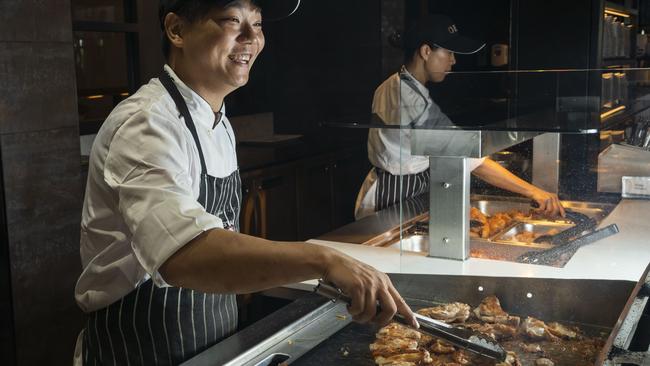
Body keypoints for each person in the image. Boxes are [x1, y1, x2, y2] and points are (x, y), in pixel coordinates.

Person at [74, 1, 416, 365]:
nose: (252, 37)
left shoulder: (217, 119)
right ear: (176, 30)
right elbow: (184, 255)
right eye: (232, 21)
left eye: (258, 23)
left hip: (214, 343)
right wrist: (323, 259)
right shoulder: (146, 124)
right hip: (141, 349)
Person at [355, 14, 565, 220]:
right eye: (449, 53)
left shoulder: (400, 85)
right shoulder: (409, 99)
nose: (453, 61)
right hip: (393, 196)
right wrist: (534, 192)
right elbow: (471, 158)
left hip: (410, 191)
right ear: (426, 51)